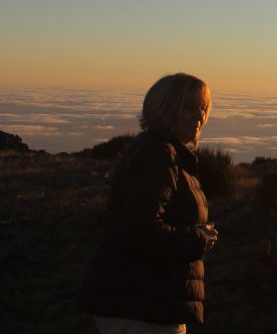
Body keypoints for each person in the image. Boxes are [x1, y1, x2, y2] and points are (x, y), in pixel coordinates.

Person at [78, 73, 219, 334]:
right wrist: (197, 239)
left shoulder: (166, 152)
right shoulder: (157, 154)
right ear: (164, 109)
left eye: (203, 107)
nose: (199, 116)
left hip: (146, 303)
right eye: (188, 107)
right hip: (141, 309)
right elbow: (140, 230)